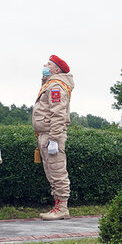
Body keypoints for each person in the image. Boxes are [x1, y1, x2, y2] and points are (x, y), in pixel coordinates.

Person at [33, 55, 75, 220]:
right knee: (52, 173)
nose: (44, 65)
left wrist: (54, 139)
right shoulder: (50, 84)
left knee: (57, 172)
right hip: (46, 135)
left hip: (52, 135)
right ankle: (58, 206)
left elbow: (58, 114)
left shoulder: (56, 86)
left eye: (48, 64)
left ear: (57, 69)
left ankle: (62, 208)